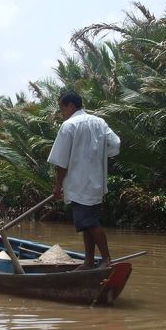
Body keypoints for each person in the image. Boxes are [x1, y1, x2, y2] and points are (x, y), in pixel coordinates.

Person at [47, 91, 120, 269]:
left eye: (62, 108)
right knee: (86, 223)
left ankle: (106, 259)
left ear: (71, 105)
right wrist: (100, 157)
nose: (62, 112)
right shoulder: (99, 122)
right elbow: (115, 144)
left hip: (79, 184)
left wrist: (57, 186)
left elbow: (61, 162)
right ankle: (88, 261)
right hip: (96, 183)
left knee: (90, 223)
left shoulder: (69, 125)